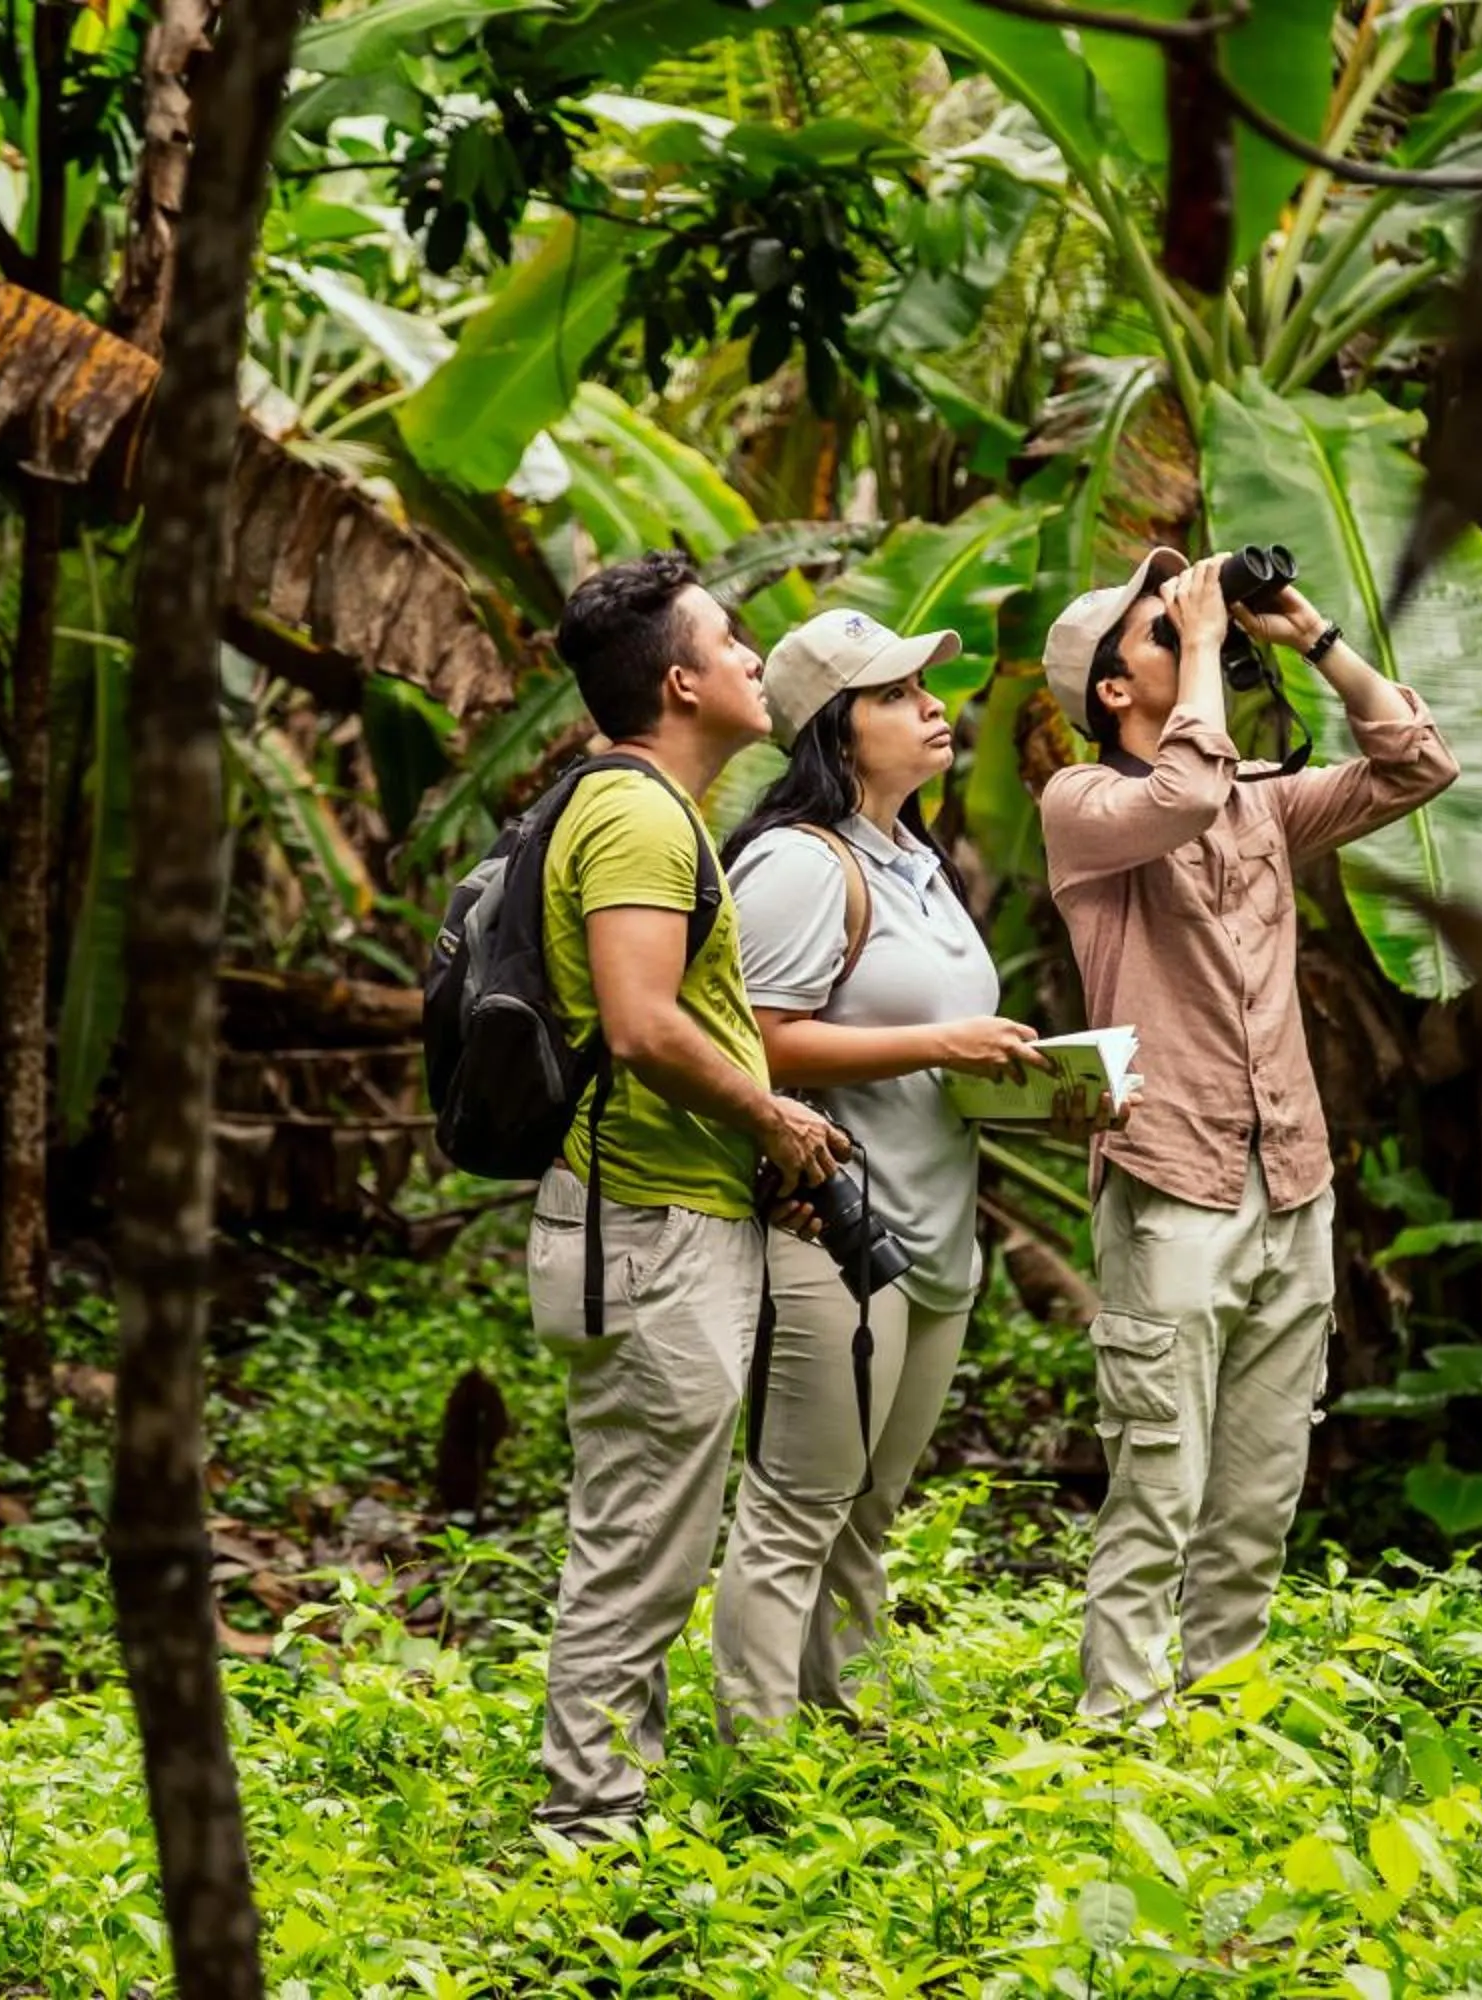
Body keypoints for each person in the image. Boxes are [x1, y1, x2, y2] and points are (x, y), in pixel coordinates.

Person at [1038, 548, 1460, 1720]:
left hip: (1292, 1180)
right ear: (1112, 692)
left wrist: (1313, 636)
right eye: (1162, 634)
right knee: (1159, 1485)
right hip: (1173, 1181)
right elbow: (1174, 796)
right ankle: (1121, 1731)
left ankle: (1221, 1723)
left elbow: (1417, 759)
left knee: (1260, 1487)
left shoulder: (1261, 803)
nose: (1190, 637)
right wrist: (1208, 627)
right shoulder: (1081, 806)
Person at [707, 609, 1121, 1731]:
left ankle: (853, 1731)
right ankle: (759, 1756)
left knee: (870, 1507)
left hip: (937, 1234)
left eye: (923, 688)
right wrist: (941, 1045)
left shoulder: (920, 865)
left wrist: (1026, 1080)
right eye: (895, 693)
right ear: (836, 733)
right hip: (832, 1233)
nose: (934, 705)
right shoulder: (800, 863)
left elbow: (929, 1042)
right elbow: (751, 1042)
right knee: (799, 1503)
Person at [527, 551, 848, 1840]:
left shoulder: (644, 811)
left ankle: (612, 1801)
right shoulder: (642, 818)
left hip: (659, 1221)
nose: (756, 658)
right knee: (638, 1542)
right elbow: (644, 1022)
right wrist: (772, 1111)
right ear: (680, 680)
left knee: (645, 1530)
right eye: (733, 641)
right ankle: (591, 1828)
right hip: (647, 1236)